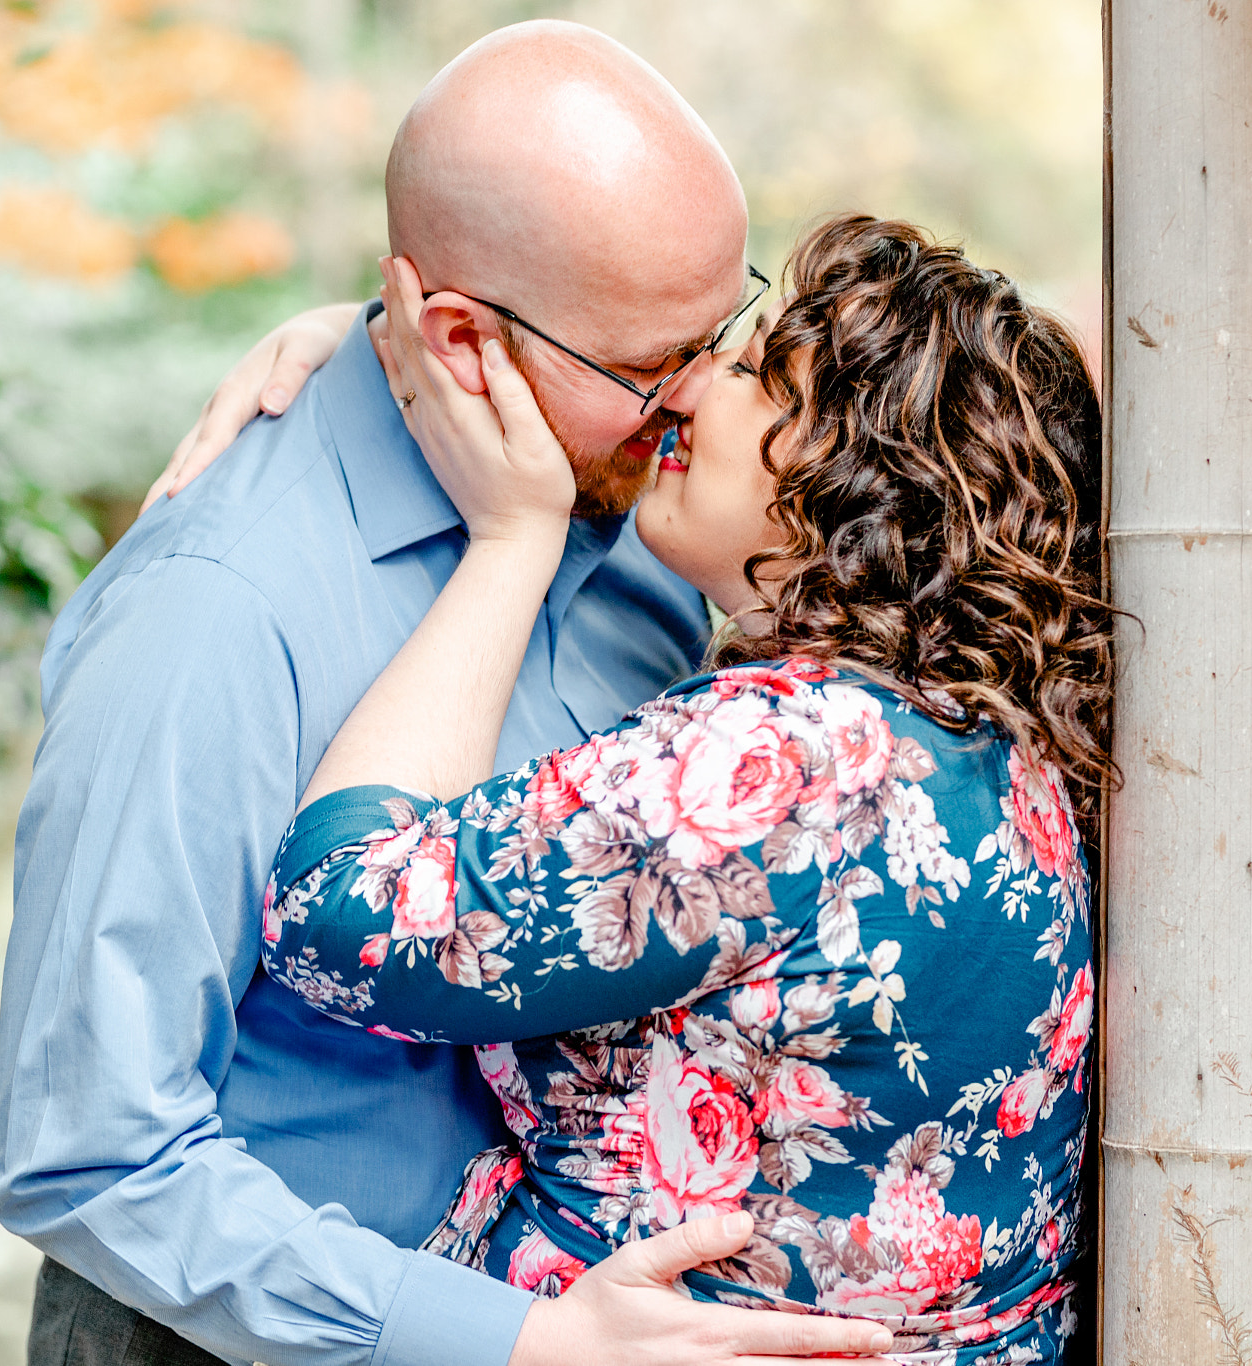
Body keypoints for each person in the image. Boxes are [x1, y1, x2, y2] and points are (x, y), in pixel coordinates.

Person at [0, 19, 893, 1366]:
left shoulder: (638, 528)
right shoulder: (212, 613)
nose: (703, 400)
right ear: (459, 335)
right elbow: (90, 1148)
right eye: (656, 364)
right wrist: (511, 1342)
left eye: (724, 332)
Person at [245, 217, 1108, 1363]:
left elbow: (335, 918)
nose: (689, 389)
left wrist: (513, 537)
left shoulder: (785, 757)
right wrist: (369, 356)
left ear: (850, 470)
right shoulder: (1008, 745)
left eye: (752, 370)